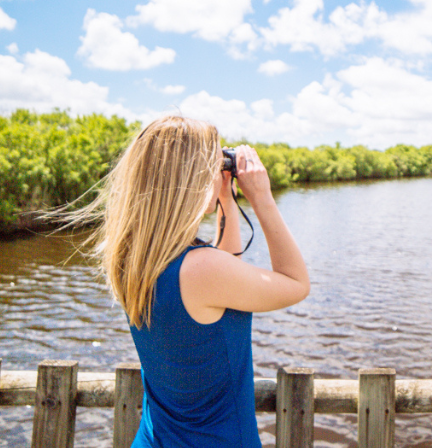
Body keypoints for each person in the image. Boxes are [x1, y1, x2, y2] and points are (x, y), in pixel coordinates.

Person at [60, 116, 310, 446]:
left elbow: (224, 271)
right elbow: (296, 282)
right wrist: (262, 197)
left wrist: (226, 199)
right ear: (187, 178)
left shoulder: (132, 260)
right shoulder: (202, 270)